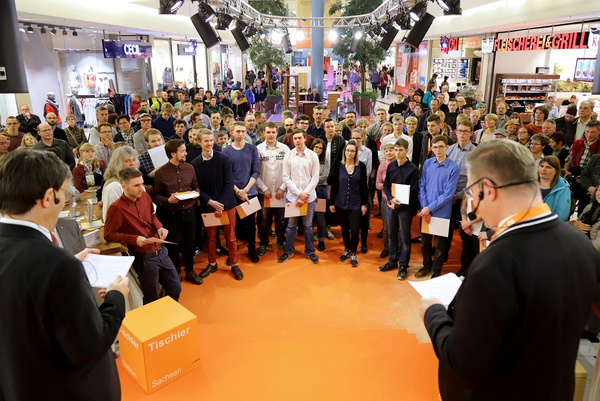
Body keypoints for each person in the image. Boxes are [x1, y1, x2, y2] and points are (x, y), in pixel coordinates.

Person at [419, 139, 600, 401]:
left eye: (472, 192)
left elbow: (463, 363)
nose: (472, 204)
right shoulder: (580, 246)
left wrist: (433, 312)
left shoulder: (495, 263)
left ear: (488, 190)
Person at [0, 149, 129, 401]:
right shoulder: (57, 264)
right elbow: (89, 347)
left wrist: (69, 264)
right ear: (49, 197)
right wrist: (116, 297)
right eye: (63, 193)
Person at [104, 168, 181, 304]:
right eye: (136, 185)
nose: (141, 188)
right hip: (145, 260)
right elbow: (109, 234)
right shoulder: (116, 208)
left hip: (161, 251)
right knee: (151, 298)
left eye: (142, 184)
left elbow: (152, 216)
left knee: (175, 288)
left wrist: (159, 227)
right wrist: (134, 239)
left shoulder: (145, 196)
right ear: (124, 186)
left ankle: (169, 316)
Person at [191, 129, 242, 281]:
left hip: (228, 205)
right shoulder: (194, 164)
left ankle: (234, 264)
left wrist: (221, 205)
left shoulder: (224, 159)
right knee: (211, 238)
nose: (209, 143)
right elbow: (197, 188)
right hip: (209, 206)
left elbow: (229, 183)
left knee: (231, 238)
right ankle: (212, 263)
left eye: (211, 140)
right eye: (206, 141)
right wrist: (211, 203)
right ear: (199, 142)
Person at [153, 139, 202, 285]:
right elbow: (156, 195)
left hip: (189, 212)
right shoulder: (161, 173)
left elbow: (196, 187)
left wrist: (196, 193)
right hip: (170, 214)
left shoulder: (190, 168)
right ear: (173, 154)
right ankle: (176, 273)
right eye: (182, 151)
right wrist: (168, 200)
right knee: (173, 244)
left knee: (190, 243)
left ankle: (190, 271)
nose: (186, 153)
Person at [415, 135, 459, 279]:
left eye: (441, 146)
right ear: (431, 148)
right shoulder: (428, 164)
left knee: (440, 246)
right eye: (435, 147)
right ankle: (426, 266)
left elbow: (448, 194)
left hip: (442, 213)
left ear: (447, 147)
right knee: (425, 242)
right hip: (425, 211)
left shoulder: (453, 168)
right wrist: (424, 207)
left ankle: (436, 270)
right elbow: (422, 186)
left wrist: (429, 208)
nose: (438, 149)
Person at [379, 138, 419, 279]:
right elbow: (385, 185)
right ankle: (392, 261)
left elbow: (414, 192)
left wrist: (399, 203)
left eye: (400, 150)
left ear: (407, 151)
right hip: (392, 205)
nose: (397, 153)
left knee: (404, 236)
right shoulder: (391, 166)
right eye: (395, 150)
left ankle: (403, 265)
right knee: (391, 234)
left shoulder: (413, 169)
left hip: (405, 208)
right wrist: (390, 199)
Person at [279, 129, 320, 264]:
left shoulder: (313, 155)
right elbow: (286, 177)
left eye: (299, 138)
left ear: (305, 139)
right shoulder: (288, 156)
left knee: (308, 226)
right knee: (291, 226)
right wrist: (298, 194)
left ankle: (310, 251)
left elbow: (315, 178)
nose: (297, 141)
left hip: (309, 197)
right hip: (292, 197)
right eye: (295, 138)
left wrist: (304, 195)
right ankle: (289, 251)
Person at [223, 121, 261, 265]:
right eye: (237, 131)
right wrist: (237, 190)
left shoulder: (252, 149)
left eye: (242, 131)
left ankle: (252, 248)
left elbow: (256, 171)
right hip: (233, 194)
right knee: (234, 224)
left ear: (246, 133)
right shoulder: (226, 151)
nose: (240, 134)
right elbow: (226, 175)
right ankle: (233, 252)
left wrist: (245, 190)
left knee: (251, 223)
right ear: (231, 133)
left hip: (250, 193)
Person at [328, 140, 369, 267]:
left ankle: (353, 253)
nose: (349, 153)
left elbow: (363, 186)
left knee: (355, 230)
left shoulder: (361, 166)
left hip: (356, 203)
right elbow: (334, 186)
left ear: (356, 153)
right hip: (340, 203)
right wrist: (331, 202)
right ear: (344, 152)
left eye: (352, 151)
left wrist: (364, 204)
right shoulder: (338, 166)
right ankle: (347, 249)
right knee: (344, 229)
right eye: (347, 150)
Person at [256, 122, 290, 254]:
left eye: (273, 132)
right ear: (263, 133)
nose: (271, 135)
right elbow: (255, 172)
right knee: (264, 220)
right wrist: (264, 188)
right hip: (264, 192)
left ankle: (281, 240)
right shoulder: (258, 149)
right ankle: (263, 243)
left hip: (281, 192)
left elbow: (289, 171)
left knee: (281, 220)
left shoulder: (285, 149)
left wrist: (282, 187)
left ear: (277, 133)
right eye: (268, 132)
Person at [101, 146, 139, 221]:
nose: (132, 164)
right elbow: (111, 218)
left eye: (133, 160)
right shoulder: (113, 187)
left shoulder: (136, 181)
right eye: (127, 161)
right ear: (117, 164)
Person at [310, 139, 329, 251]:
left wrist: (312, 181)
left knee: (320, 218)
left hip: (321, 190)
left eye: (320, 148)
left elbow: (324, 176)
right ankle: (309, 239)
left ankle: (321, 240)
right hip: (309, 190)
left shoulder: (325, 161)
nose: (318, 149)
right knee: (309, 218)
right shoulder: (307, 159)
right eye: (316, 147)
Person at [538, 155, 571, 222]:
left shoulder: (563, 189)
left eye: (548, 167)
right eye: (541, 166)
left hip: (552, 226)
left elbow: (562, 216)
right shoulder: (528, 184)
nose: (543, 170)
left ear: (556, 171)